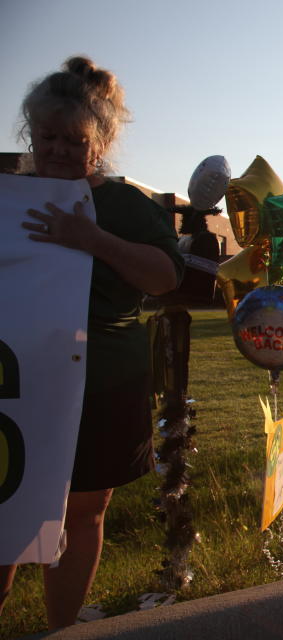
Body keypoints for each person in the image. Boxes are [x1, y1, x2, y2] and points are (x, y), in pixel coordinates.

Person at [0, 57, 183, 628]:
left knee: (84, 511)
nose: (56, 151)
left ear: (99, 143)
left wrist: (91, 238)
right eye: (46, 137)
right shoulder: (10, 198)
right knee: (7, 506)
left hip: (104, 379)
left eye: (72, 140)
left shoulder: (125, 205)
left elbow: (165, 278)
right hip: (18, 375)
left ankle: (62, 626)